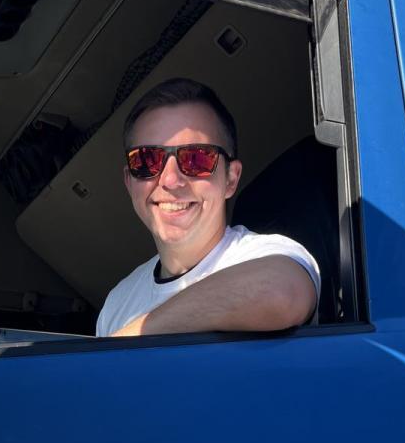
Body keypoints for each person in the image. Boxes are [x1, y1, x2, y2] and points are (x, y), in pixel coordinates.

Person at [96, 78, 320, 338]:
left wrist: (129, 339)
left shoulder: (267, 255)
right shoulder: (117, 305)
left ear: (231, 179)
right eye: (147, 160)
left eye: (196, 159)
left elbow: (281, 294)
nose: (170, 180)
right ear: (129, 181)